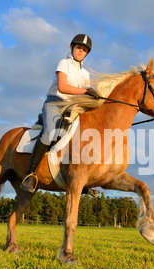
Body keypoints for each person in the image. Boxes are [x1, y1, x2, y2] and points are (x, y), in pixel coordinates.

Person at [21, 34, 99, 193]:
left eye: (84, 50)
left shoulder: (85, 74)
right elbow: (63, 87)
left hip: (72, 106)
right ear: (72, 48)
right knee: (50, 133)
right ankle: (30, 175)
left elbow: (85, 96)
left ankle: (83, 179)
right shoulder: (64, 63)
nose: (80, 51)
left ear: (86, 54)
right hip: (55, 103)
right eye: (79, 48)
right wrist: (86, 91)